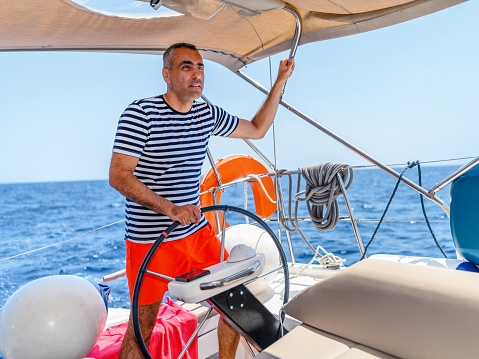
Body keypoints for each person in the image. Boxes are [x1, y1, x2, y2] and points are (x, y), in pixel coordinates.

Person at [109, 42, 295, 359]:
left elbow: (257, 128)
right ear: (166, 74)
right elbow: (119, 175)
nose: (196, 74)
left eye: (200, 67)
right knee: (141, 329)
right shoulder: (140, 114)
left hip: (196, 233)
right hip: (151, 239)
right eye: (186, 67)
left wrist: (279, 82)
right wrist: (170, 209)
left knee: (236, 303)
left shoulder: (206, 113)